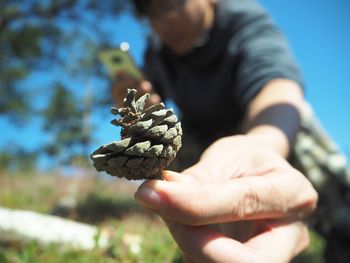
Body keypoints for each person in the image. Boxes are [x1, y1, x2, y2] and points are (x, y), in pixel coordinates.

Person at [113, 0, 321, 262]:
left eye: (171, 4)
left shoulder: (242, 19)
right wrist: (133, 107)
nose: (163, 20)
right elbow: (151, 117)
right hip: (199, 138)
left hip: (254, 128)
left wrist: (262, 144)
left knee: (300, 121)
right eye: (151, 12)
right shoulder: (158, 54)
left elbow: (276, 86)